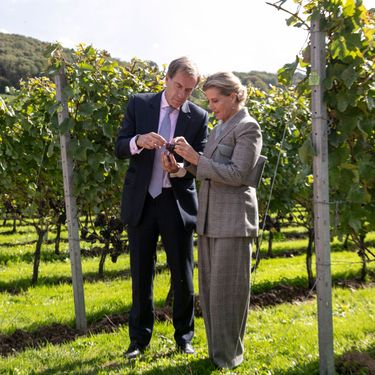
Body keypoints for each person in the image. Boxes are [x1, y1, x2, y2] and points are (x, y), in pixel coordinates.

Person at [115, 56, 208, 359]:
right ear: (166, 79)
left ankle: (184, 337)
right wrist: (139, 141)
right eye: (179, 86)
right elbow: (119, 146)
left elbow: (200, 165)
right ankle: (138, 341)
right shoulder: (139, 104)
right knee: (141, 274)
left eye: (189, 90)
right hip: (142, 202)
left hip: (175, 202)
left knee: (183, 273)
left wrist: (179, 167)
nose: (182, 95)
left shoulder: (198, 117)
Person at [173, 72, 263, 369]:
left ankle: (228, 356)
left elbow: (238, 174)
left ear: (235, 95)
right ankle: (218, 354)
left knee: (229, 292)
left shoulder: (248, 128)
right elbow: (210, 171)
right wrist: (182, 167)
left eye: (216, 100)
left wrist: (197, 160)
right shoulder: (220, 127)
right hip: (210, 219)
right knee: (211, 292)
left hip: (234, 220)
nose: (211, 107)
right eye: (209, 100)